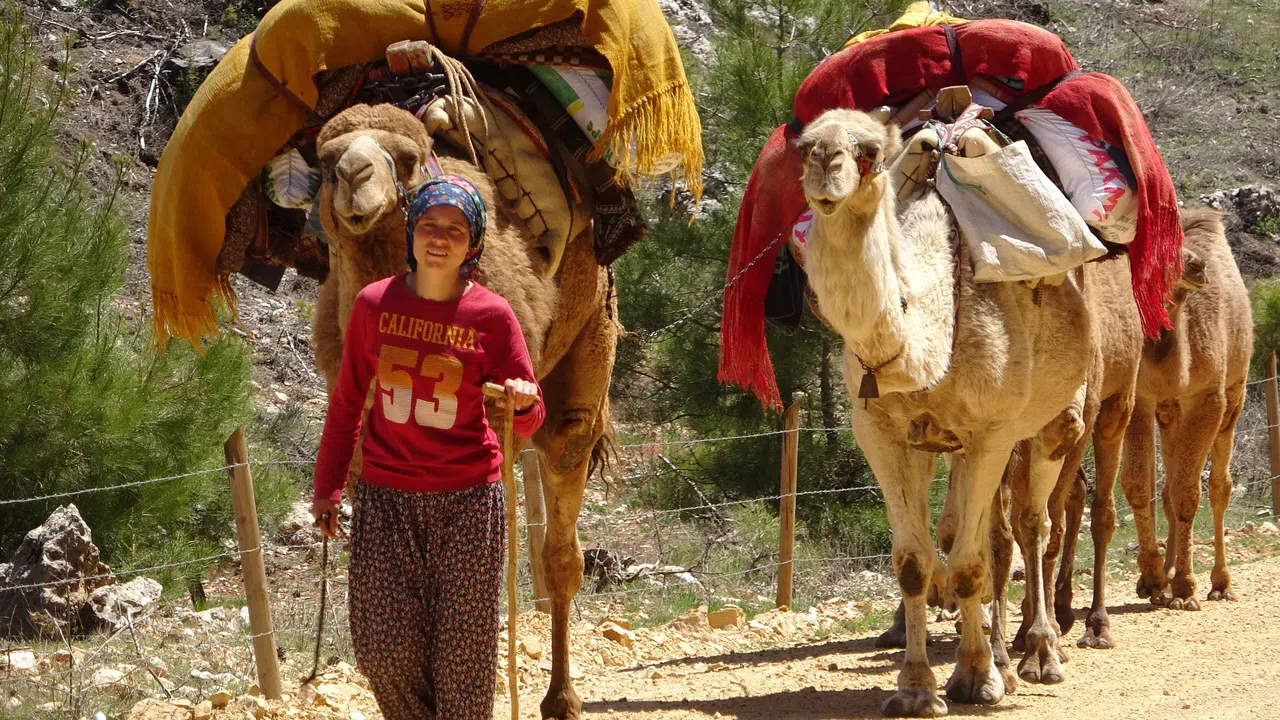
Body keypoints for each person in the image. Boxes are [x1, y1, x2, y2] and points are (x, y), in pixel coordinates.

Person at [311, 174, 544, 720]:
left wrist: (523, 401)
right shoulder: (373, 305)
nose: (440, 238)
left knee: (462, 660)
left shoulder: (493, 316)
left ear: (474, 244)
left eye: (456, 230)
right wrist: (328, 488)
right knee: (381, 648)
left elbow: (529, 421)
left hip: (469, 501)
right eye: (430, 226)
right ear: (412, 232)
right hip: (386, 499)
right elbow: (347, 403)